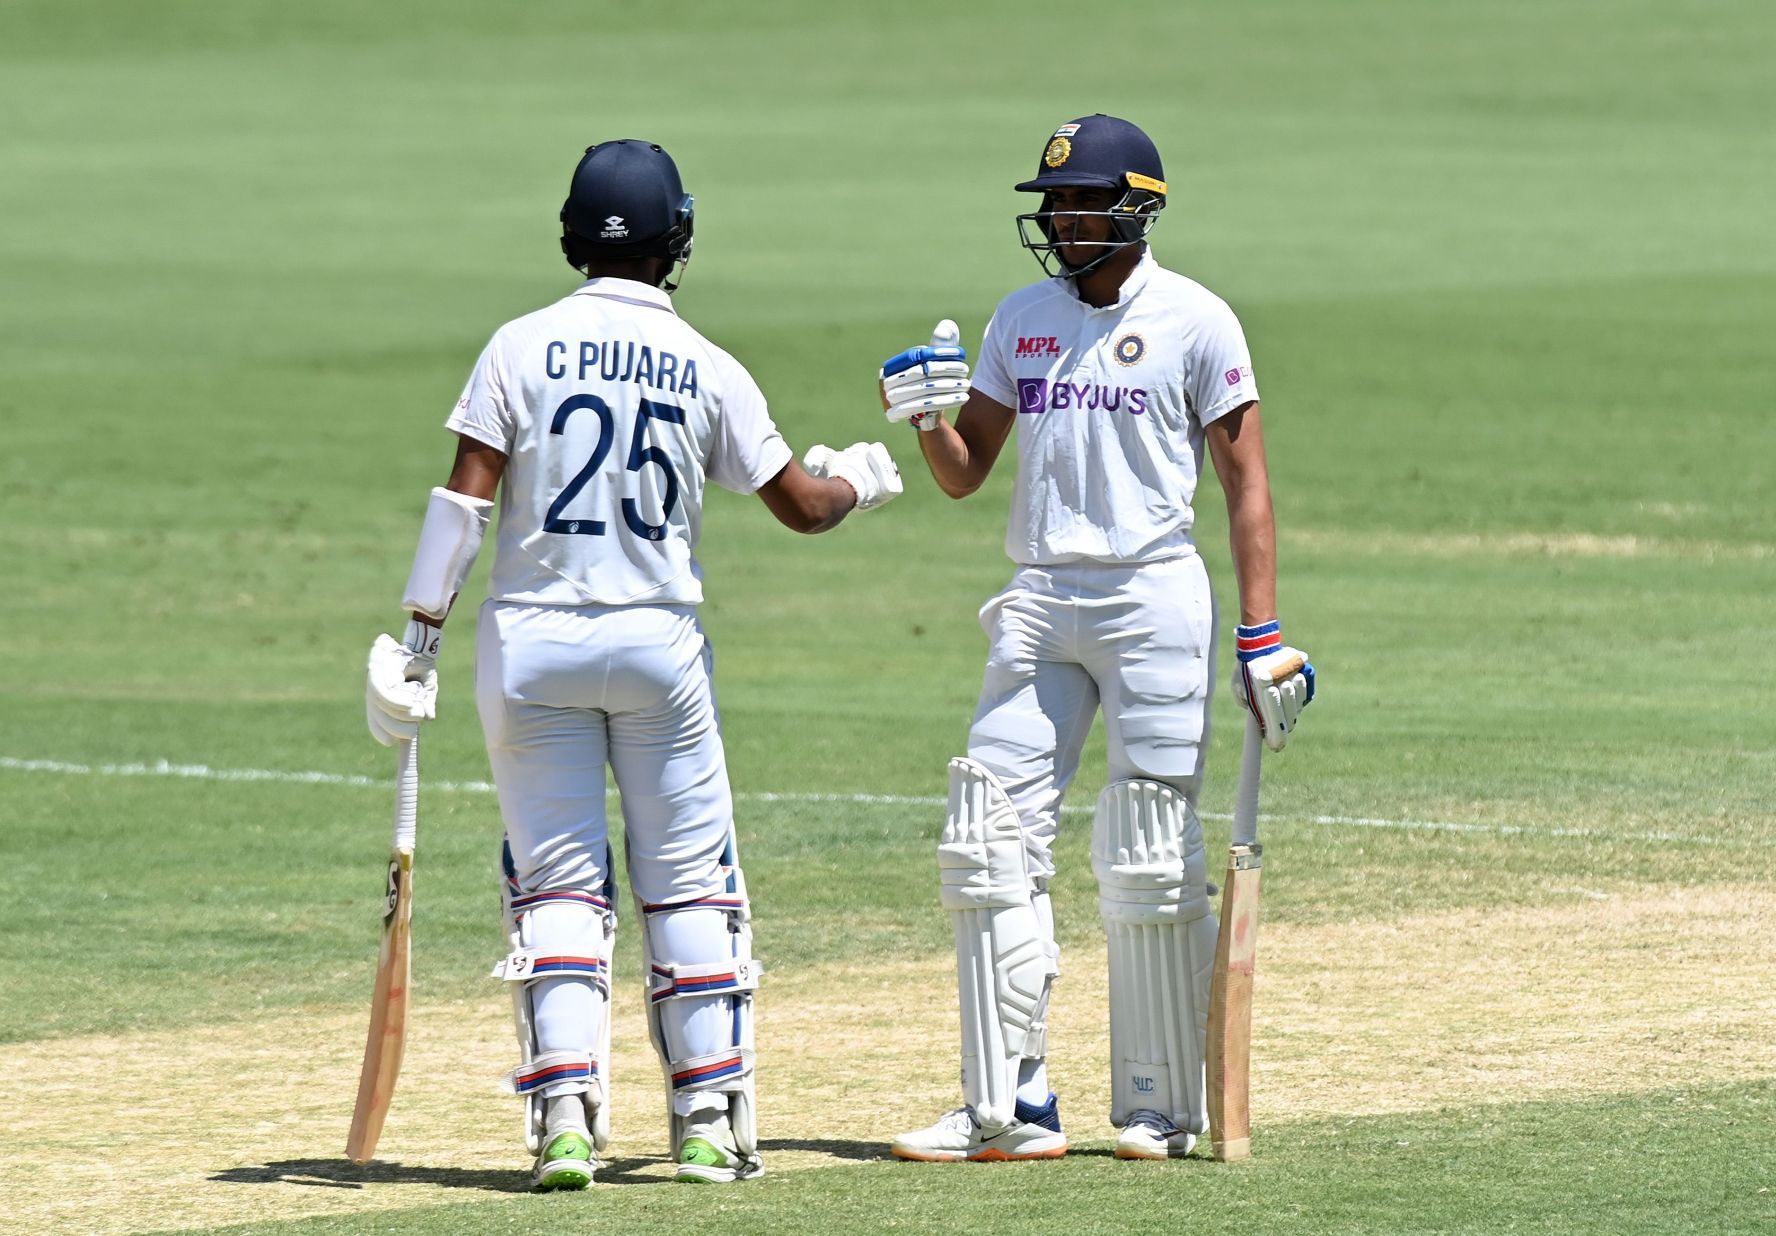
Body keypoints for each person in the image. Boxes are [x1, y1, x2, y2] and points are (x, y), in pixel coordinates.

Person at [364, 138, 903, 1189]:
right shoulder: (709, 362)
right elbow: (800, 505)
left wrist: (418, 640)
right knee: (689, 884)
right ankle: (705, 1120)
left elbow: (466, 498)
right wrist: (863, 482)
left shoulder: (518, 346)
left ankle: (566, 1119)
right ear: (678, 242)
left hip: (529, 649)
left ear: (573, 236)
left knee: (558, 884)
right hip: (657, 649)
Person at [879, 114, 1316, 1163]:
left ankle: (1161, 1104)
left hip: (1152, 595)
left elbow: (1247, 485)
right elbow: (965, 470)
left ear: (1138, 209)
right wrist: (928, 420)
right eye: (1055, 205)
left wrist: (1263, 634)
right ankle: (1010, 1105)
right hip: (1039, 595)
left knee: (1152, 845)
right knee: (988, 830)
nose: (1064, 220)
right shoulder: (1020, 318)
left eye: (1083, 203)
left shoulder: (1200, 321)